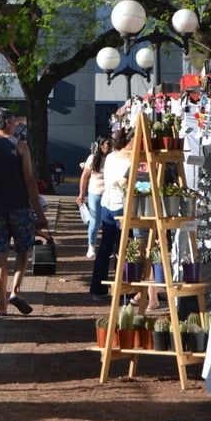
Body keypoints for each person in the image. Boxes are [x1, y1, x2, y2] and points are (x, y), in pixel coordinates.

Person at [0, 107, 48, 316]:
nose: (16, 125)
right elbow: (30, 181)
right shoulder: (21, 147)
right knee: (23, 250)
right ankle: (15, 290)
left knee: (0, 254)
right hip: (20, 207)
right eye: (14, 122)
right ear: (6, 123)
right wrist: (39, 213)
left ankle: (2, 303)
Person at [90, 130, 133, 303]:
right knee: (124, 248)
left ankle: (98, 287)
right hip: (120, 205)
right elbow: (122, 183)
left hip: (107, 204)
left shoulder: (111, 157)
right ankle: (124, 290)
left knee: (106, 247)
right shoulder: (129, 160)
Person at [76, 137, 110, 259]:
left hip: (108, 194)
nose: (108, 146)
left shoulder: (112, 158)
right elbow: (84, 177)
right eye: (106, 144)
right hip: (95, 192)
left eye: (109, 144)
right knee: (95, 221)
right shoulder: (92, 158)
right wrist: (82, 194)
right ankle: (91, 246)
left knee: (108, 222)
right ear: (100, 145)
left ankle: (108, 247)